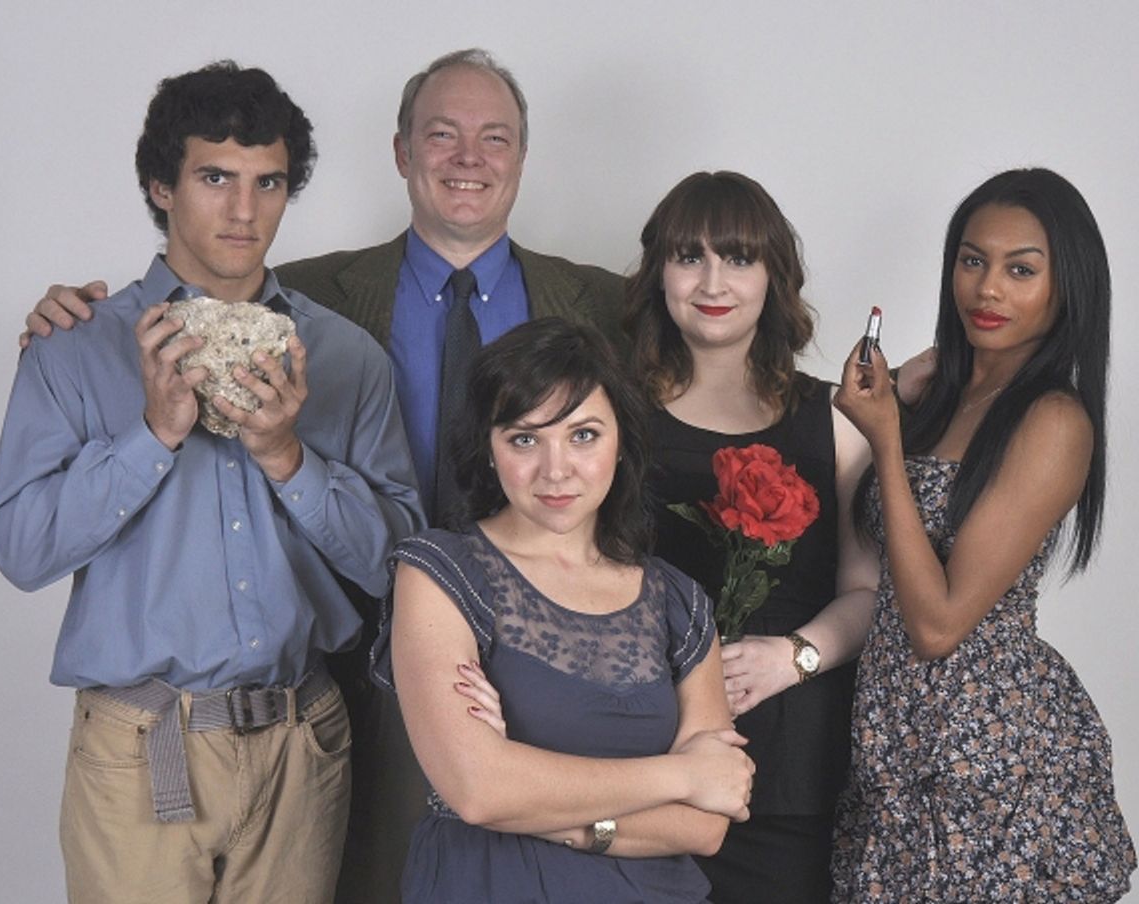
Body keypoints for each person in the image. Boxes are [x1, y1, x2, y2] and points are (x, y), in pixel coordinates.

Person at [17, 49, 623, 900]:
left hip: (528, 678)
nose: (242, 210)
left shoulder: (598, 305)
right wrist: (132, 408)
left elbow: (721, 359)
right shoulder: (293, 306)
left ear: (523, 156)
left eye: (496, 138)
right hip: (328, 692)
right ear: (402, 153)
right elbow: (24, 541)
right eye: (442, 134)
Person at [0, 61, 423, 903]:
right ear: (161, 184)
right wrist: (153, 434)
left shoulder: (345, 358)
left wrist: (289, 456)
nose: (244, 209)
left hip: (304, 744)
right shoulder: (77, 347)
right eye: (215, 176)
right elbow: (20, 548)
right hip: (140, 748)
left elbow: (397, 567)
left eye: (270, 182)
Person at [370, 316, 756, 903]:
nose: (556, 469)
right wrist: (683, 775)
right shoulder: (439, 570)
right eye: (525, 438)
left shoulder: (678, 600)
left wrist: (529, 794)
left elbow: (705, 824)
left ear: (621, 440)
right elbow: (477, 790)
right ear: (489, 448)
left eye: (583, 435)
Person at [831, 168, 1136, 901]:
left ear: (1068, 288)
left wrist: (889, 441)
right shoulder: (940, 388)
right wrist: (890, 402)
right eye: (972, 261)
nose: (987, 289)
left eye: (1020, 270)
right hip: (898, 745)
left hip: (990, 755)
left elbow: (936, 625)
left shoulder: (1054, 421)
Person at [621, 170, 880, 902]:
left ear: (774, 276)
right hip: (641, 748)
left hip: (791, 768)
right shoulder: (610, 415)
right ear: (658, 273)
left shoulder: (835, 417)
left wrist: (792, 658)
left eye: (738, 257)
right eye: (688, 256)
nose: (713, 280)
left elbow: (868, 592)